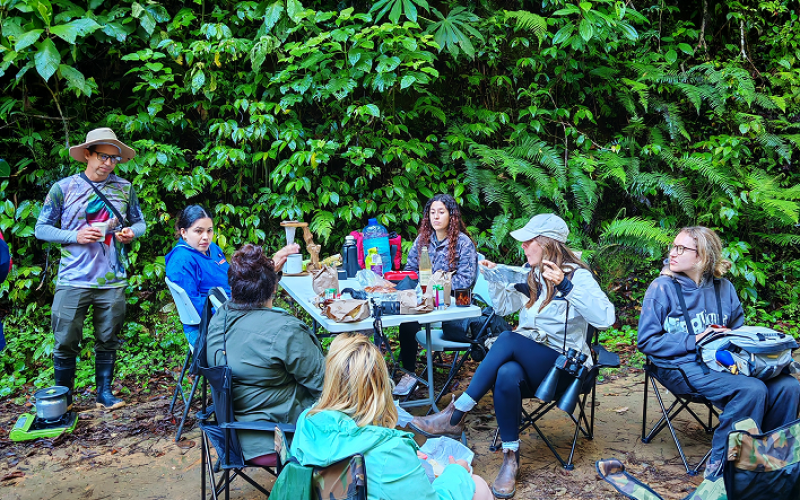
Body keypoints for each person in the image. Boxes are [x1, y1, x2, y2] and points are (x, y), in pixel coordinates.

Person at [408, 214, 615, 498]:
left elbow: (606, 318)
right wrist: (494, 277)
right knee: (507, 373)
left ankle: (456, 415)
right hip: (532, 366)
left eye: (529, 241)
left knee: (506, 339)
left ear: (546, 243)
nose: (524, 247)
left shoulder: (577, 276)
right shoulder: (531, 274)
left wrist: (566, 287)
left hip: (564, 369)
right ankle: (510, 457)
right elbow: (504, 308)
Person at [637, 226, 800, 478]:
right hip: (679, 365)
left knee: (788, 386)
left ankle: (771, 459)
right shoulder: (662, 288)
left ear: (701, 256)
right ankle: (725, 468)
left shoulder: (724, 289)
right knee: (751, 389)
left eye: (682, 248)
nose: (673, 253)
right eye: (673, 246)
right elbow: (647, 342)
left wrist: (730, 336)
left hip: (725, 363)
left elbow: (738, 333)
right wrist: (695, 339)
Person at [287, 333, 492, 500]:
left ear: (331, 380)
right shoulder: (389, 450)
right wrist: (456, 471)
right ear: (381, 385)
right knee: (478, 486)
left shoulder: (307, 421)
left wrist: (408, 461)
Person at [35, 127, 146, 409]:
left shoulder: (125, 188)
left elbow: (140, 222)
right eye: (102, 156)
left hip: (112, 280)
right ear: (87, 154)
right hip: (73, 279)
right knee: (65, 340)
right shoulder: (63, 188)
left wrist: (131, 232)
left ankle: (104, 394)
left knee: (108, 339)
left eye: (114, 158)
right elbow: (41, 229)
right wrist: (75, 236)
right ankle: (65, 398)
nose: (108, 163)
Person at [206, 243, 324, 464]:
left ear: (232, 288)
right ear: (274, 289)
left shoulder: (218, 319)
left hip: (230, 432)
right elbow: (325, 386)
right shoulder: (285, 331)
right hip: (280, 435)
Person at [165, 205, 299, 346]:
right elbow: (195, 309)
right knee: (281, 326)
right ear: (184, 232)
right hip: (213, 326)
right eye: (198, 231)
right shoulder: (181, 261)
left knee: (284, 319)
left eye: (209, 231)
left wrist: (268, 271)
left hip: (236, 309)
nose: (206, 237)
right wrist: (239, 314)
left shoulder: (212, 248)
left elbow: (236, 279)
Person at [395, 194, 478, 395]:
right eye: (432, 212)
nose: (436, 217)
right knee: (407, 319)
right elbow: (411, 270)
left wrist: (435, 286)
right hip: (424, 301)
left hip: (452, 305)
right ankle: (409, 373)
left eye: (441, 212)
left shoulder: (463, 243)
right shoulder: (423, 239)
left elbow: (466, 281)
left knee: (413, 316)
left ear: (452, 215)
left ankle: (411, 375)